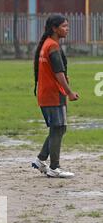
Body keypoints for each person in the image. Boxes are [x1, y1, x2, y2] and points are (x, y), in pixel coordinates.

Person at [32, 14, 79, 178]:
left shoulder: (48, 44)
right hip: (53, 94)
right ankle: (54, 167)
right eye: (64, 26)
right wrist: (69, 92)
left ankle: (40, 160)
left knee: (58, 128)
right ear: (54, 28)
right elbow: (59, 73)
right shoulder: (52, 46)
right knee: (58, 128)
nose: (67, 29)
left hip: (48, 94)